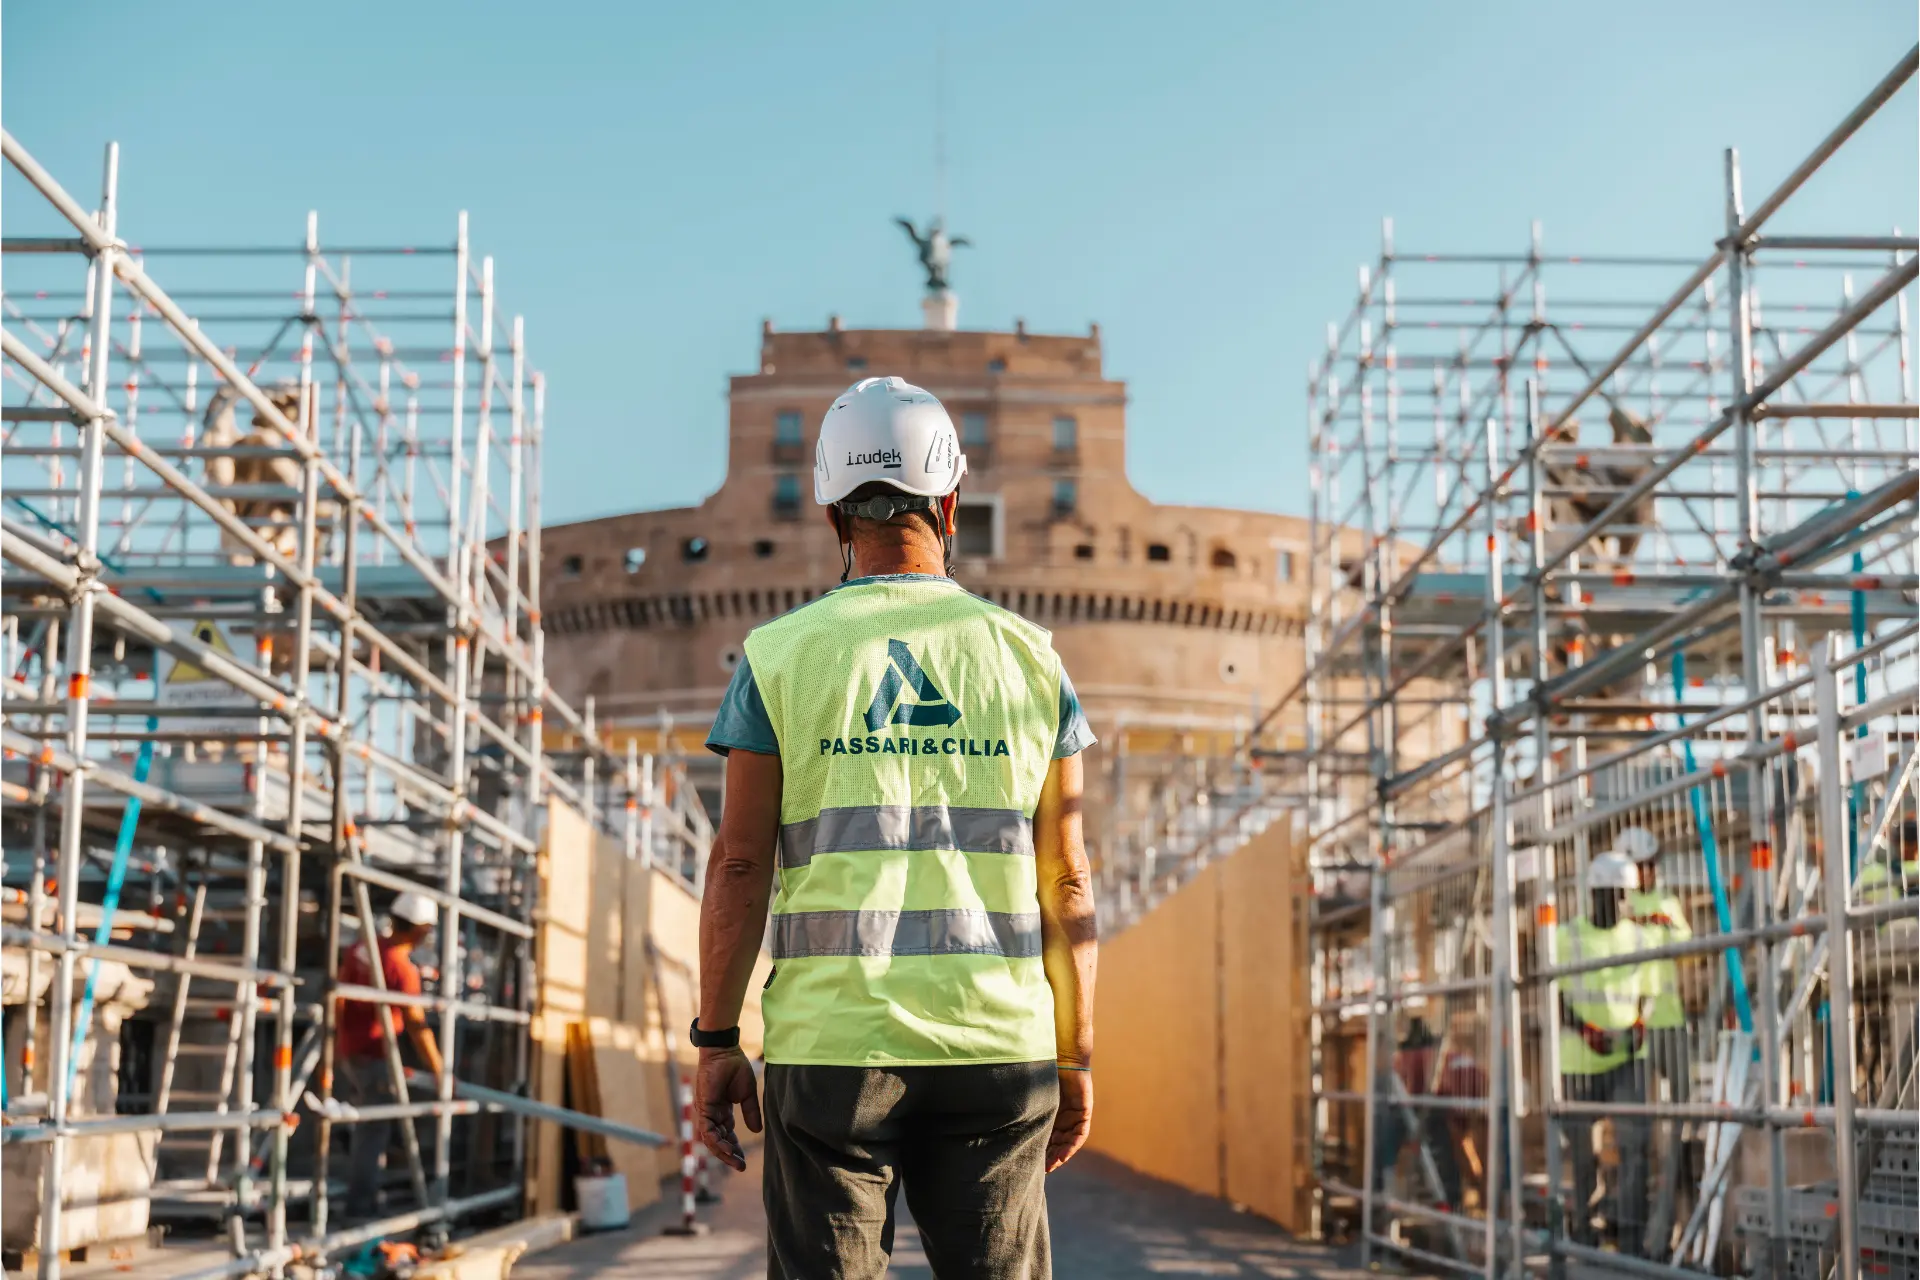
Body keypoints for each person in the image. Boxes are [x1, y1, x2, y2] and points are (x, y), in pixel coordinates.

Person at [692, 376, 1100, 1279]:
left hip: (833, 1052)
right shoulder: (1033, 660)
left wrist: (717, 1041)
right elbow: (1066, 877)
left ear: (835, 513)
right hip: (999, 1044)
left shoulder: (777, 659)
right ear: (950, 502)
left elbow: (738, 868)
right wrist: (1073, 1054)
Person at [1554, 851, 1650, 1253]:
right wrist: (1585, 1030)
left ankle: (1629, 1237)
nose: (1624, 903)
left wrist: (1641, 1021)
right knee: (1582, 1155)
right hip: (1580, 1060)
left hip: (1627, 1059)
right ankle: (1584, 1235)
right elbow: (1554, 996)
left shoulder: (1638, 936)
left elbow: (1647, 991)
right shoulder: (1566, 936)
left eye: (1627, 894)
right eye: (1617, 894)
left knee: (1634, 1147)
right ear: (1597, 895)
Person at [335, 891, 445, 1221]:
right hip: (375, 1054)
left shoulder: (362, 947)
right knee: (375, 1131)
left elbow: (340, 994)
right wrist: (440, 1071)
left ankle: (370, 1191)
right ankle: (360, 1206)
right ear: (421, 929)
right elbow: (416, 1023)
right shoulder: (401, 967)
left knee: (374, 1124)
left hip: (351, 1050)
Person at [1617, 826, 1691, 1254]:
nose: (1649, 872)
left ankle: (1673, 1226)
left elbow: (1685, 941)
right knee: (1636, 1137)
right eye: (1642, 866)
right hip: (1634, 1031)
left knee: (1681, 1127)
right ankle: (1634, 1237)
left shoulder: (1665, 902)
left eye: (1651, 865)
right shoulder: (1617, 906)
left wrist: (1661, 921)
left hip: (1669, 1022)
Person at [1371, 1016, 1464, 1210]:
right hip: (1418, 1110)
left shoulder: (1401, 1063)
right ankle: (1449, 1199)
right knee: (1439, 1154)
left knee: (1436, 1153)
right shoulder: (1429, 1059)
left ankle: (1385, 1193)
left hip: (1421, 1110)